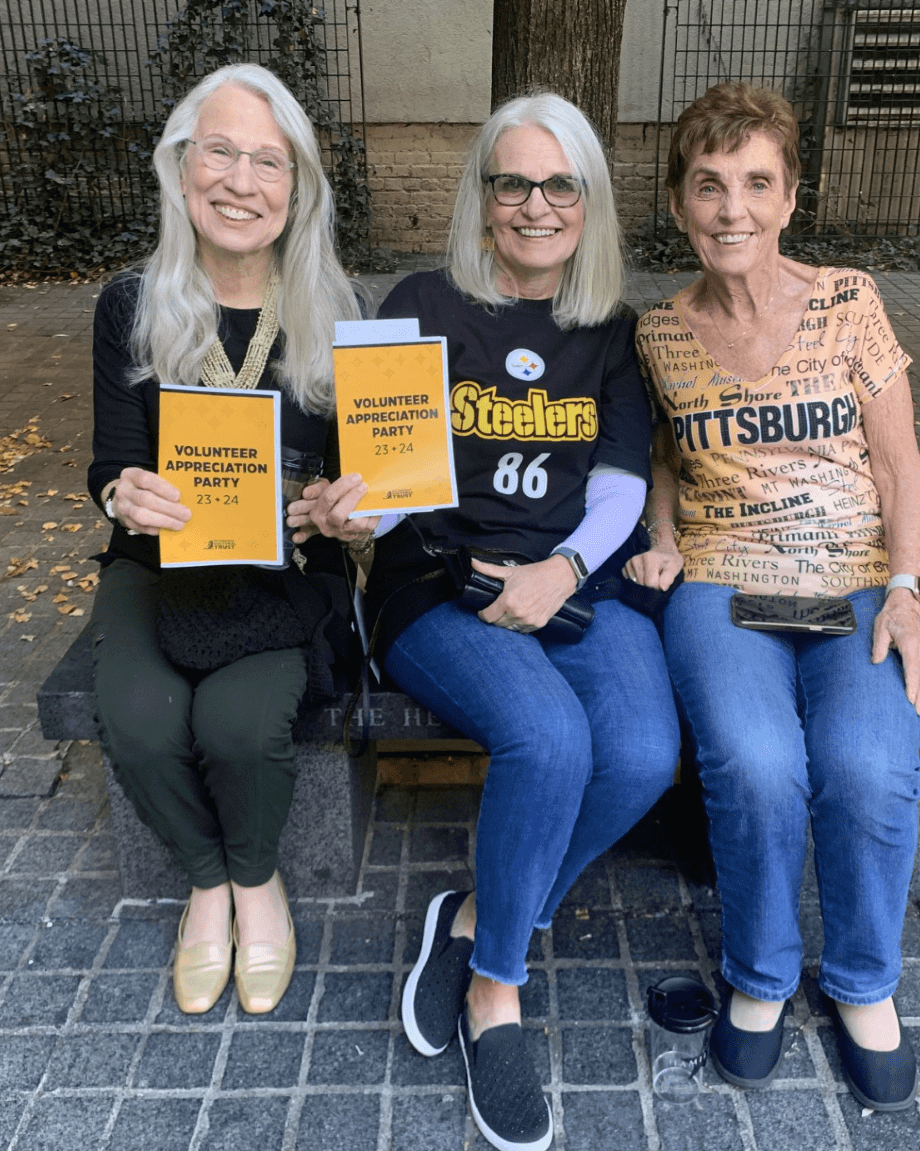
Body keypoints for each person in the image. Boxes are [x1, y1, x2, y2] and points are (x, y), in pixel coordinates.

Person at [293, 93, 678, 1151]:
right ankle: (494, 993)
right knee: (549, 737)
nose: (536, 204)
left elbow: (614, 487)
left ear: (588, 202)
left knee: (641, 752)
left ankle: (468, 918)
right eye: (513, 182)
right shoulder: (422, 300)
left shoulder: (608, 329)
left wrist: (560, 572)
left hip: (570, 579)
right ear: (483, 195)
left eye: (561, 184)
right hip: (435, 582)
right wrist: (355, 505)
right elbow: (382, 477)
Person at [626, 80, 920, 1110]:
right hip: (722, 582)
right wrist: (663, 537)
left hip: (856, 582)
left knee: (865, 765)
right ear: (678, 204)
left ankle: (860, 984)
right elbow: (667, 457)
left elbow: (899, 469)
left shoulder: (848, 300)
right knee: (757, 766)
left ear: (790, 198)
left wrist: (903, 589)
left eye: (755, 184)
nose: (731, 210)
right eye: (708, 186)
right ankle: (759, 978)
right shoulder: (658, 334)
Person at [86, 63, 359, 1017]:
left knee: (240, 728)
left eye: (269, 162)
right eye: (221, 152)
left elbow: (362, 480)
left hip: (284, 571)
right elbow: (107, 463)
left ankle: (259, 882)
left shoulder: (337, 315)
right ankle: (211, 884)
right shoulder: (131, 302)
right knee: (141, 722)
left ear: (299, 188)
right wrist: (124, 493)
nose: (242, 181)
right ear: (180, 168)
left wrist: (343, 509)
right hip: (156, 567)